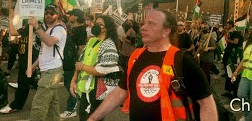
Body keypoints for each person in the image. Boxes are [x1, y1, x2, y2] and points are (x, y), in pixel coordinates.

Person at [88, 9, 218, 121]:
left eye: (151, 24)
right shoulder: (135, 57)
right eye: (144, 23)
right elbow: (120, 91)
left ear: (166, 31)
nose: (143, 27)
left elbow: (206, 103)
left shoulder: (183, 60)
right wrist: (94, 118)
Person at [69, 15, 122, 121]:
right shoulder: (92, 41)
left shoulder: (109, 45)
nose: (95, 26)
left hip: (97, 91)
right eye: (95, 23)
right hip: (86, 89)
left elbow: (103, 71)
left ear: (106, 28)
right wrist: (73, 81)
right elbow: (81, 61)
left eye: (99, 24)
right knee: (84, 117)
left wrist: (82, 67)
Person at [28, 4, 67, 121]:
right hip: (48, 70)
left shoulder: (59, 29)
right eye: (46, 13)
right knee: (52, 104)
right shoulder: (49, 29)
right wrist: (33, 66)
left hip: (52, 71)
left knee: (39, 105)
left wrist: (36, 26)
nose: (48, 15)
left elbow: (49, 42)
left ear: (58, 15)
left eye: (52, 13)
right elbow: (44, 51)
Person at [0, 17, 41, 113]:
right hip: (25, 58)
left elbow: (13, 32)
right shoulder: (28, 28)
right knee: (28, 82)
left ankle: (16, 105)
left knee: (26, 83)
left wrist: (11, 19)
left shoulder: (32, 26)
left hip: (29, 59)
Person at [59, 8, 87, 118]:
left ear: (75, 17)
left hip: (73, 62)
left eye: (70, 15)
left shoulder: (80, 30)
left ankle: (72, 108)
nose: (68, 17)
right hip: (67, 60)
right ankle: (77, 102)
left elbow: (81, 47)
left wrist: (79, 64)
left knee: (70, 84)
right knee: (68, 83)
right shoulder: (71, 28)